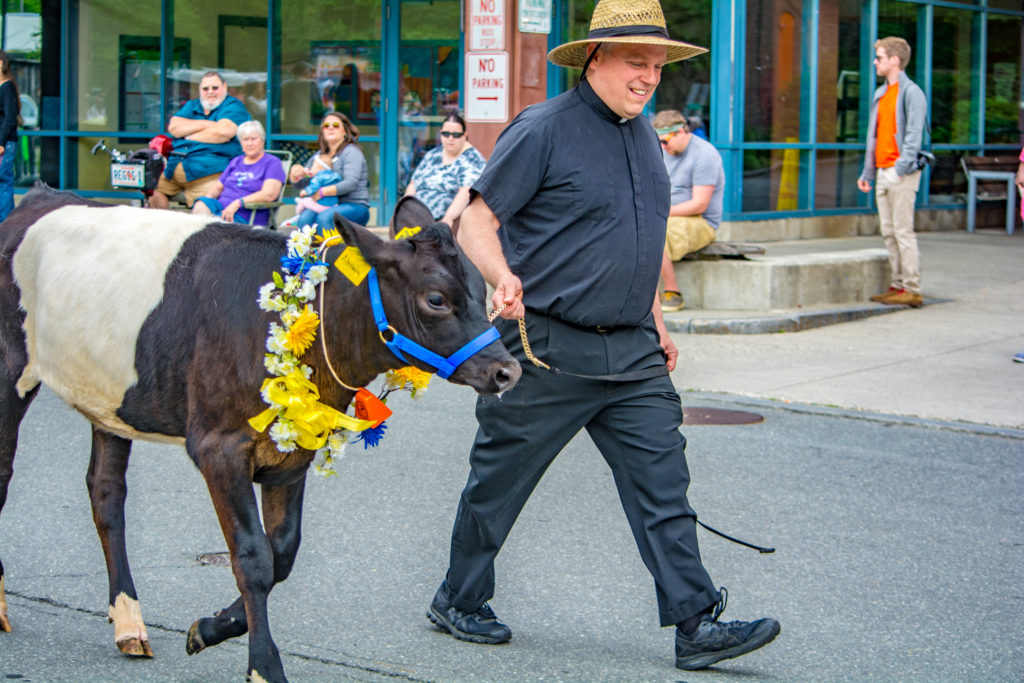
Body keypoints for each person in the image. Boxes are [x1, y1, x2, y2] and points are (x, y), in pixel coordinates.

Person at [426, 0, 780, 672]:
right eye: (635, 61)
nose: (649, 76)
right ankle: (458, 596)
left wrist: (657, 319)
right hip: (546, 347)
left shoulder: (644, 135)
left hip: (633, 353)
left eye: (656, 64)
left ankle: (696, 622)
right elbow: (474, 220)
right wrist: (501, 276)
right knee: (497, 483)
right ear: (596, 58)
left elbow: (637, 239)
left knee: (662, 484)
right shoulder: (543, 129)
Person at [857, 37, 928, 308]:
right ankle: (898, 286)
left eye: (880, 57)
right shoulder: (881, 93)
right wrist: (868, 172)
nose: (876, 62)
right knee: (888, 232)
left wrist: (901, 167)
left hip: (901, 172)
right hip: (882, 170)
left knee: (903, 231)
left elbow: (913, 135)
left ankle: (912, 287)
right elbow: (872, 137)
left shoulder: (911, 93)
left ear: (895, 61)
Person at [652, 109, 725, 312]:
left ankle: (672, 292)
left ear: (681, 132)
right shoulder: (665, 152)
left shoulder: (705, 154)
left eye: (665, 141)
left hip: (700, 221)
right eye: (658, 142)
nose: (662, 147)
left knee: (655, 231)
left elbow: (699, 204)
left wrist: (659, 213)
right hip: (666, 215)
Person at [151, 71, 251, 210]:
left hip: (209, 173)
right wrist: (209, 124)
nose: (210, 92)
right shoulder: (193, 105)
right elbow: (174, 127)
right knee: (154, 191)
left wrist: (188, 135)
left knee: (203, 208)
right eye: (205, 88)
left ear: (225, 87)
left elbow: (223, 133)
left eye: (215, 88)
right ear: (200, 90)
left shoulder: (233, 106)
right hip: (173, 169)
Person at [403, 111, 486, 232]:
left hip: (445, 219)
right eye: (446, 134)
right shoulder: (432, 155)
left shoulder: (472, 159)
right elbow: (413, 184)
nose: (450, 139)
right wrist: (405, 208)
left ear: (465, 135)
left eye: (456, 135)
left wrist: (449, 218)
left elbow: (466, 191)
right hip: (418, 217)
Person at [191, 120, 285, 226]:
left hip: (246, 214)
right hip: (222, 209)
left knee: (213, 224)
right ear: (241, 143)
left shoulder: (272, 162)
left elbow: (269, 194)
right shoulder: (236, 161)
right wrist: (208, 199)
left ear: (262, 141)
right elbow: (217, 188)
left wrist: (238, 203)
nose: (249, 143)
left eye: (253, 139)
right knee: (201, 205)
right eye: (245, 139)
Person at [288, 111, 370, 231]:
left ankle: (332, 249)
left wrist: (322, 192)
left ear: (345, 131)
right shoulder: (319, 156)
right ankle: (307, 250)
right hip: (325, 206)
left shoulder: (351, 152)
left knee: (325, 218)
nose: (331, 128)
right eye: (326, 126)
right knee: (305, 218)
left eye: (336, 125)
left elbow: (350, 183)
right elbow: (302, 184)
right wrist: (295, 175)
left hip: (354, 206)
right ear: (322, 131)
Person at [0, 50, 20, 223]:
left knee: (4, 181)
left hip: (5, 143)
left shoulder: (7, 87)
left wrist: (1, 142)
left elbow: (10, 118)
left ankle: (6, 223)